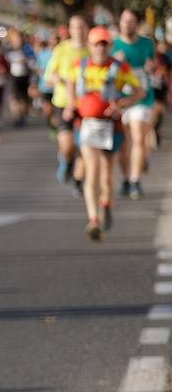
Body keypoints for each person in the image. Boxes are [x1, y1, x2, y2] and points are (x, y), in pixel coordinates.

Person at [63, 26, 141, 240]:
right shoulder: (80, 66)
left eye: (104, 44)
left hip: (111, 127)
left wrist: (122, 104)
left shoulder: (120, 67)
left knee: (106, 174)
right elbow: (70, 83)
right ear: (90, 45)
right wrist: (70, 104)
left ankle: (106, 204)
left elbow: (139, 91)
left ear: (110, 46)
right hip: (87, 125)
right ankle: (93, 219)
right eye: (97, 44)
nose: (100, 48)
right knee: (92, 170)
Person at [113, 8, 157, 200]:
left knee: (138, 137)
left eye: (131, 21)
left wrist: (151, 67)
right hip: (120, 99)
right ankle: (126, 178)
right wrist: (116, 63)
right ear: (120, 23)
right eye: (124, 21)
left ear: (137, 24)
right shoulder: (113, 44)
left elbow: (153, 65)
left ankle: (135, 180)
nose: (127, 24)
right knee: (124, 143)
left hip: (142, 96)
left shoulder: (147, 43)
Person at [44, 14, 89, 194]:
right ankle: (66, 160)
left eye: (82, 26)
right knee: (67, 145)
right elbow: (48, 77)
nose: (78, 30)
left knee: (85, 145)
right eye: (75, 27)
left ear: (87, 28)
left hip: (86, 104)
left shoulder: (93, 49)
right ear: (70, 30)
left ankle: (78, 180)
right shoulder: (61, 49)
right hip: (63, 103)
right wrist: (57, 79)